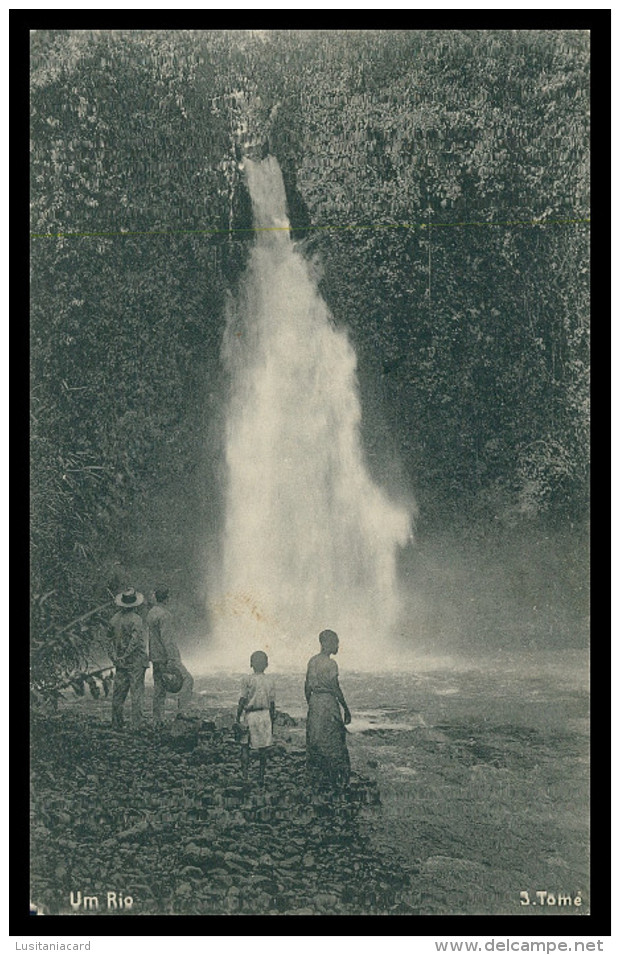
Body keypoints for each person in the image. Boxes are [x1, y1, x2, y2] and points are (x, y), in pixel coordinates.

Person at [304, 629, 351, 790]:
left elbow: (307, 686)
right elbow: (335, 687)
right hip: (328, 701)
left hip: (315, 701)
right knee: (335, 738)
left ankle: (317, 779)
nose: (337, 646)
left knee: (316, 738)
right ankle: (338, 780)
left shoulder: (312, 661)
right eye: (335, 642)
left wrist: (311, 703)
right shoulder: (331, 664)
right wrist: (346, 708)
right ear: (326, 643)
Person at [146, 588, 194, 725]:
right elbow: (167, 639)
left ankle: (157, 720)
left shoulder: (151, 613)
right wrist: (173, 658)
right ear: (167, 598)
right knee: (188, 679)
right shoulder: (165, 615)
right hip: (166, 656)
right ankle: (181, 712)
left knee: (159, 688)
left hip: (155, 656)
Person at [108, 588, 148, 731]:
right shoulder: (136, 619)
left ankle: (117, 724)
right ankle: (136, 725)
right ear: (135, 604)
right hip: (135, 661)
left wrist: (115, 658)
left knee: (118, 694)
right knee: (137, 693)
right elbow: (135, 641)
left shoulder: (114, 619)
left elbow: (108, 641)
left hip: (120, 662)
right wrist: (125, 655)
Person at [236, 650, 276, 787]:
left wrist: (237, 716)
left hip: (250, 715)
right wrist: (273, 721)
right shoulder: (270, 681)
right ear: (267, 664)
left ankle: (245, 775)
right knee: (263, 749)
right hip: (265, 715)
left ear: (251, 664)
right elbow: (272, 704)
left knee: (245, 746)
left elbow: (242, 699)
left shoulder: (246, 679)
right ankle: (261, 776)